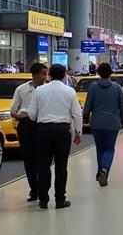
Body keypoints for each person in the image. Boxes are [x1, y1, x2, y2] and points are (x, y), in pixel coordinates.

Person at [27, 63, 82, 210]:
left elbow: (31, 114)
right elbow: (77, 114)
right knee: (61, 166)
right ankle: (60, 199)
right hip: (62, 131)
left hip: (43, 130)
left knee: (43, 166)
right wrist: (78, 132)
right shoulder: (70, 91)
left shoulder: (39, 90)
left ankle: (43, 199)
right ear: (64, 75)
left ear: (49, 74)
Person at [84, 62, 123, 187]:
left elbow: (88, 105)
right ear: (110, 73)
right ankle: (104, 170)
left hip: (97, 122)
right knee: (109, 149)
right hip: (112, 123)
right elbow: (122, 106)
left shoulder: (93, 87)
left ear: (98, 73)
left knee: (100, 149)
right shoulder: (117, 87)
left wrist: (85, 117)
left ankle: (101, 172)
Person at [11, 61, 48, 201]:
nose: (45, 77)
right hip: (26, 126)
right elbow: (13, 111)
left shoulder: (48, 89)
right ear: (35, 74)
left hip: (43, 125)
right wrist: (23, 114)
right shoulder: (21, 89)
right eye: (43, 74)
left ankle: (43, 188)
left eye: (46, 74)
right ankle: (34, 189)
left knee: (43, 159)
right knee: (29, 160)